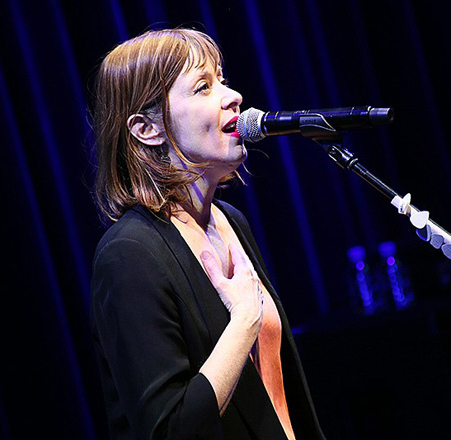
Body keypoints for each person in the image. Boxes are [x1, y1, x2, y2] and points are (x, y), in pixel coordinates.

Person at [90, 28, 326, 440]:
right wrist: (244, 321)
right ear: (147, 129)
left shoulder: (230, 220)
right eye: (203, 87)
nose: (233, 96)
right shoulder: (128, 254)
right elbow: (170, 429)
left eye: (222, 78)